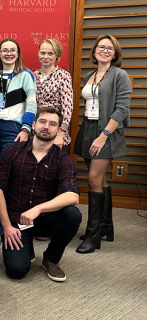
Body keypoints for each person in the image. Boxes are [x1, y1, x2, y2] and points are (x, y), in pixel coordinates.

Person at [0, 107, 81, 282]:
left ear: (58, 131)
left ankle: (51, 258)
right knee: (17, 270)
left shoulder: (63, 159)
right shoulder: (12, 151)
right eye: (42, 122)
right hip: (17, 218)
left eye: (52, 124)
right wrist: (6, 226)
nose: (46, 127)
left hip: (45, 218)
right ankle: (26, 248)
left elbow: (73, 195)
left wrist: (38, 209)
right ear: (34, 124)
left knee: (72, 214)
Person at [74, 35, 131, 254]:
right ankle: (106, 226)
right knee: (102, 179)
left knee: (93, 179)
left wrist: (104, 135)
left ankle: (93, 234)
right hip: (88, 128)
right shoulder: (90, 75)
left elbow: (122, 108)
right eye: (101, 47)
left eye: (110, 48)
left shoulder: (120, 75)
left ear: (115, 53)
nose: (105, 51)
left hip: (106, 131)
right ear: (94, 50)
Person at [0, 38, 37, 169]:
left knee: (10, 169)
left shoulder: (25, 75)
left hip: (13, 128)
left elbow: (31, 104)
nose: (9, 53)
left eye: (13, 50)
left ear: (18, 54)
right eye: (5, 50)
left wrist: (26, 129)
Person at [33, 38, 73, 150]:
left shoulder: (63, 76)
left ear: (57, 55)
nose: (45, 57)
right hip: (37, 133)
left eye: (50, 53)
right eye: (42, 53)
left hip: (55, 132)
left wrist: (61, 133)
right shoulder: (33, 76)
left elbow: (67, 107)